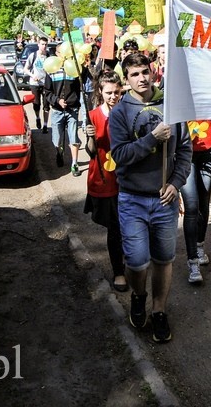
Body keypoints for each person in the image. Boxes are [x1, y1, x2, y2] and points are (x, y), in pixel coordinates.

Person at [109, 53, 192, 343]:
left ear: (152, 71)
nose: (141, 78)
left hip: (165, 200)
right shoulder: (120, 112)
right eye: (134, 74)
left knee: (164, 259)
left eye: (144, 71)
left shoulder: (171, 106)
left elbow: (185, 151)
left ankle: (159, 310)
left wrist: (176, 183)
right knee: (137, 261)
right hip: (132, 199)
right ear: (126, 79)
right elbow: (120, 155)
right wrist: (151, 139)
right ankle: (138, 295)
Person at [83, 71, 128, 292]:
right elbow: (91, 152)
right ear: (100, 92)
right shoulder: (92, 115)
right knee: (115, 227)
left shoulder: (127, 112)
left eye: (117, 92)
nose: (113, 96)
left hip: (127, 178)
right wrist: (91, 136)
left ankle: (130, 259)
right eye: (109, 92)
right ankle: (119, 271)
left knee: (129, 225)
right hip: (105, 179)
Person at [181, 119, 211, 283]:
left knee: (203, 202)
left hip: (209, 148)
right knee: (191, 206)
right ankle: (193, 261)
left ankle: (200, 245)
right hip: (184, 150)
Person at [43, 45, 83, 177]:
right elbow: (47, 92)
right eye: (61, 53)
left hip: (72, 109)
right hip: (57, 110)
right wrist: (57, 100)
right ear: (57, 53)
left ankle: (74, 164)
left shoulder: (74, 68)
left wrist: (85, 67)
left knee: (73, 137)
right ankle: (59, 152)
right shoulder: (51, 70)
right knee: (57, 139)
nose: (64, 56)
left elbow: (82, 85)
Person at [25, 37, 50, 132]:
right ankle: (37, 117)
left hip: (46, 84)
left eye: (46, 44)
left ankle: (45, 125)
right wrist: (33, 76)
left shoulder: (49, 56)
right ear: (38, 44)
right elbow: (25, 69)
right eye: (42, 44)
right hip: (35, 83)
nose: (44, 46)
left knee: (46, 105)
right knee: (36, 104)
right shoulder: (33, 55)